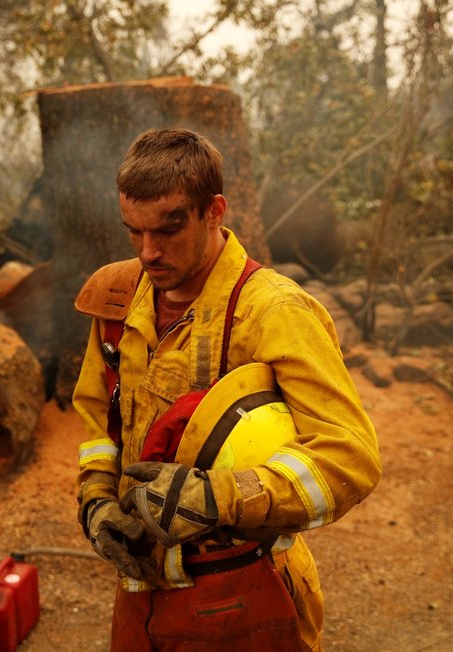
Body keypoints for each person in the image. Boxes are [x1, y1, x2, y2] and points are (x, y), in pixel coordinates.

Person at [72, 128, 381, 651]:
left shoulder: (274, 311)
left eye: (169, 230)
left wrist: (219, 497)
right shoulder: (118, 298)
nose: (148, 253)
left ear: (214, 211)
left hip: (248, 592)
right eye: (134, 231)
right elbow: (98, 420)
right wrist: (97, 502)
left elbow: (350, 457)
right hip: (139, 593)